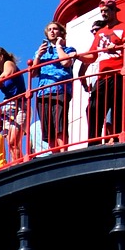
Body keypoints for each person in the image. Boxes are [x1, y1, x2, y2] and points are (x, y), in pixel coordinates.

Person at [82, 0, 125, 143]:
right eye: (102, 11)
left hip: (121, 73)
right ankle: (94, 142)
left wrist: (119, 47)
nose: (104, 14)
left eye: (106, 11)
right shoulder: (100, 33)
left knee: (117, 107)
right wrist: (77, 56)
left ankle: (116, 138)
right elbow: (91, 56)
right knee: (93, 108)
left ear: (114, 11)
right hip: (103, 75)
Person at [28, 22, 76, 152]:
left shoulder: (68, 50)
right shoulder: (41, 53)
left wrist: (59, 46)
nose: (52, 31)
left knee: (59, 124)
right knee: (48, 128)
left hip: (60, 89)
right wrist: (38, 56)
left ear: (61, 32)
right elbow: (33, 73)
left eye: (55, 29)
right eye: (49, 29)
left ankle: (63, 152)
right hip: (43, 92)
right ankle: (55, 152)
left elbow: (65, 62)